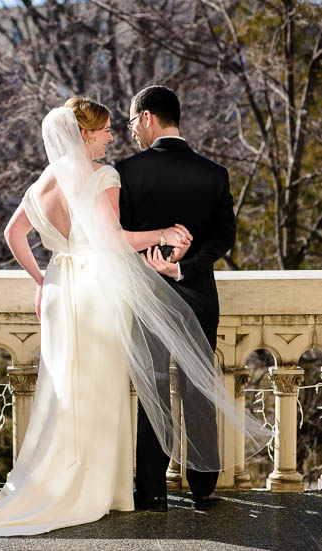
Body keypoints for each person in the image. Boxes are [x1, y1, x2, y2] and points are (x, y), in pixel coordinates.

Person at [0, 96, 271, 537]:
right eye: (107, 129)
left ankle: (131, 486)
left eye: (121, 126)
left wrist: (38, 280)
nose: (115, 135)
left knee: (65, 389)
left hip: (59, 286)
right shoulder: (126, 174)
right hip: (107, 290)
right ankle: (135, 488)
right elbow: (129, 239)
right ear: (86, 134)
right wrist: (169, 238)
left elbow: (14, 233)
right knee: (109, 388)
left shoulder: (59, 178)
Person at [117, 85, 232, 511]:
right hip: (199, 296)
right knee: (199, 387)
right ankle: (203, 486)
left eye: (131, 123)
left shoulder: (127, 172)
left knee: (154, 387)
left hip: (147, 296)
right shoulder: (213, 174)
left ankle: (152, 490)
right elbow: (224, 237)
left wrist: (158, 264)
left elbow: (119, 238)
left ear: (147, 117)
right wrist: (184, 267)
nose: (131, 132)